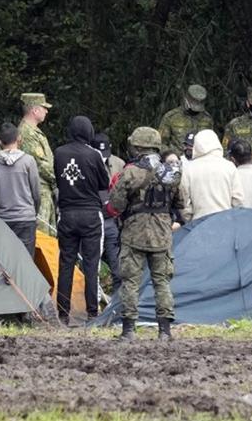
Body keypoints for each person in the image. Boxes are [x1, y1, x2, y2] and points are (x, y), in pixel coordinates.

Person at [107, 127, 184, 341]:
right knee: (162, 282)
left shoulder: (130, 172)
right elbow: (181, 204)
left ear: (137, 146)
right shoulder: (172, 173)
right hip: (161, 233)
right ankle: (165, 332)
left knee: (130, 282)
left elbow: (115, 204)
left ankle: (129, 330)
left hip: (134, 232)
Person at [53, 116, 110, 324]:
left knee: (66, 263)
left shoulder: (59, 153)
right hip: (90, 214)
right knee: (91, 264)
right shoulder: (94, 155)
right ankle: (92, 313)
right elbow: (104, 183)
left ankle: (63, 313)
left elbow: (58, 178)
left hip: (67, 214)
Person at [0, 123, 41, 256]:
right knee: (27, 260)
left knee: (7, 261)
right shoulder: (28, 161)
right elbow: (36, 193)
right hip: (26, 218)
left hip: (4, 219)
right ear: (19, 138)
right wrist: (35, 212)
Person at [180, 129, 243, 221]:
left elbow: (185, 201)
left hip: (198, 223)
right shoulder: (229, 166)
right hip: (225, 221)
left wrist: (189, 220)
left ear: (196, 145)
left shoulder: (189, 169)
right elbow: (238, 200)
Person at [91, 133, 125, 295]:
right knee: (92, 264)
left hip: (112, 219)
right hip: (92, 218)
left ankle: (118, 302)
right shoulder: (86, 162)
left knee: (117, 265)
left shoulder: (119, 164)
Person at [18, 92, 57, 236]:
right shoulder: (27, 133)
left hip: (44, 191)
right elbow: (40, 164)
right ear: (35, 110)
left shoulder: (33, 131)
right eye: (44, 107)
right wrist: (59, 178)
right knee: (42, 236)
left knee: (49, 236)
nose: (46, 111)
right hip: (39, 191)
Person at [158, 84, 213, 153]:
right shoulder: (171, 117)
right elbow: (160, 143)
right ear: (186, 100)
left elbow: (211, 143)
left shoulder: (207, 119)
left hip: (200, 159)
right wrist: (169, 155)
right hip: (177, 159)